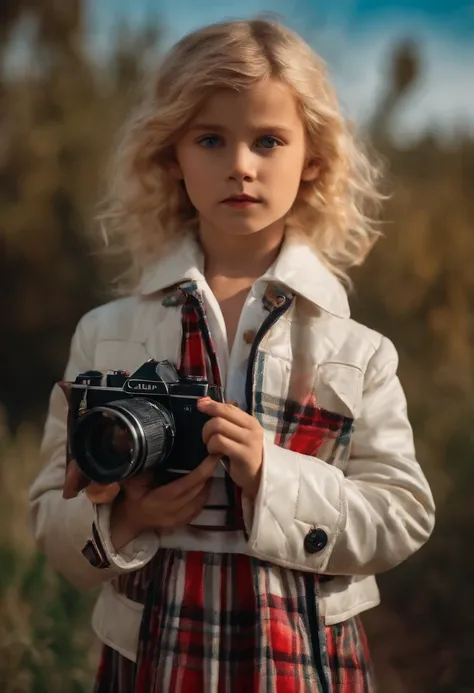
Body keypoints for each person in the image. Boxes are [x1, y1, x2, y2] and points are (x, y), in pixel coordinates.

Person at [29, 17, 435, 693]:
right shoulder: (106, 333)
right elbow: (49, 511)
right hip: (154, 657)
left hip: (303, 660)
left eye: (268, 140)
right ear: (173, 156)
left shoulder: (357, 349)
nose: (240, 164)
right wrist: (127, 516)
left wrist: (272, 476)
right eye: (211, 138)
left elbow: (403, 512)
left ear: (312, 160)